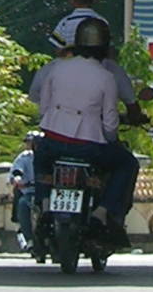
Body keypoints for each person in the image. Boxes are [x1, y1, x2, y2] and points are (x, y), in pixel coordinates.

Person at [29, 14, 141, 233]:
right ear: (105, 48)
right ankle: (102, 213)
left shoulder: (56, 68)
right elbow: (110, 123)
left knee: (40, 161)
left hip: (53, 142)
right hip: (89, 147)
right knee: (127, 164)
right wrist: (110, 140)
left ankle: (43, 205)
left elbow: (44, 109)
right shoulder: (106, 76)